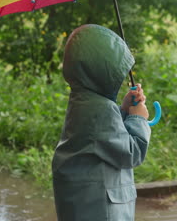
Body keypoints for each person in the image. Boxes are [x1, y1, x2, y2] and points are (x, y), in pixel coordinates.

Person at [52, 24, 152, 221]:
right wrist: (138, 118)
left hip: (85, 203)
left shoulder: (84, 101)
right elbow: (132, 152)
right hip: (100, 209)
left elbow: (105, 139)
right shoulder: (100, 110)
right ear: (101, 72)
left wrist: (123, 110)